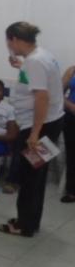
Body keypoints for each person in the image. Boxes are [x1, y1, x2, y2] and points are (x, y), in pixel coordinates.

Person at [0, 22, 64, 237]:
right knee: (37, 175)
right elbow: (38, 83)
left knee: (30, 176)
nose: (9, 46)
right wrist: (21, 67)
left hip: (40, 127)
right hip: (50, 123)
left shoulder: (34, 62)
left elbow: (42, 98)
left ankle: (24, 226)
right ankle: (29, 220)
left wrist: (35, 134)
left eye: (9, 41)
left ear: (15, 39)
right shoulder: (40, 56)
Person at [61, 64, 75, 203]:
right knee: (72, 154)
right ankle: (71, 190)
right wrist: (70, 105)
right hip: (71, 116)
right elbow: (58, 93)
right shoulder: (72, 70)